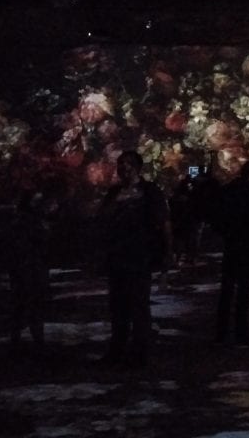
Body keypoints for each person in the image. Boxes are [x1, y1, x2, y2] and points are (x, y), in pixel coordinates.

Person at [99, 151, 172, 366]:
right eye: (121, 164)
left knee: (139, 304)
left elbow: (164, 221)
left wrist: (168, 251)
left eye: (128, 164)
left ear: (138, 167)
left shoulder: (149, 191)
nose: (124, 168)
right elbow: (103, 218)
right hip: (117, 255)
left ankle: (139, 353)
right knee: (117, 304)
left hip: (140, 254)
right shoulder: (114, 192)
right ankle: (117, 349)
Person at [215, 161, 249, 345]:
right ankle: (240, 331)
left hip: (231, 243)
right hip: (246, 244)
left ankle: (221, 330)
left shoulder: (228, 189)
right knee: (243, 289)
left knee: (227, 288)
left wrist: (226, 233)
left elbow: (218, 214)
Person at [4, 191, 50, 354]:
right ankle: (32, 341)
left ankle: (25, 340)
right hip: (27, 268)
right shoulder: (27, 223)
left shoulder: (27, 222)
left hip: (29, 268)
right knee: (28, 304)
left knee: (25, 304)